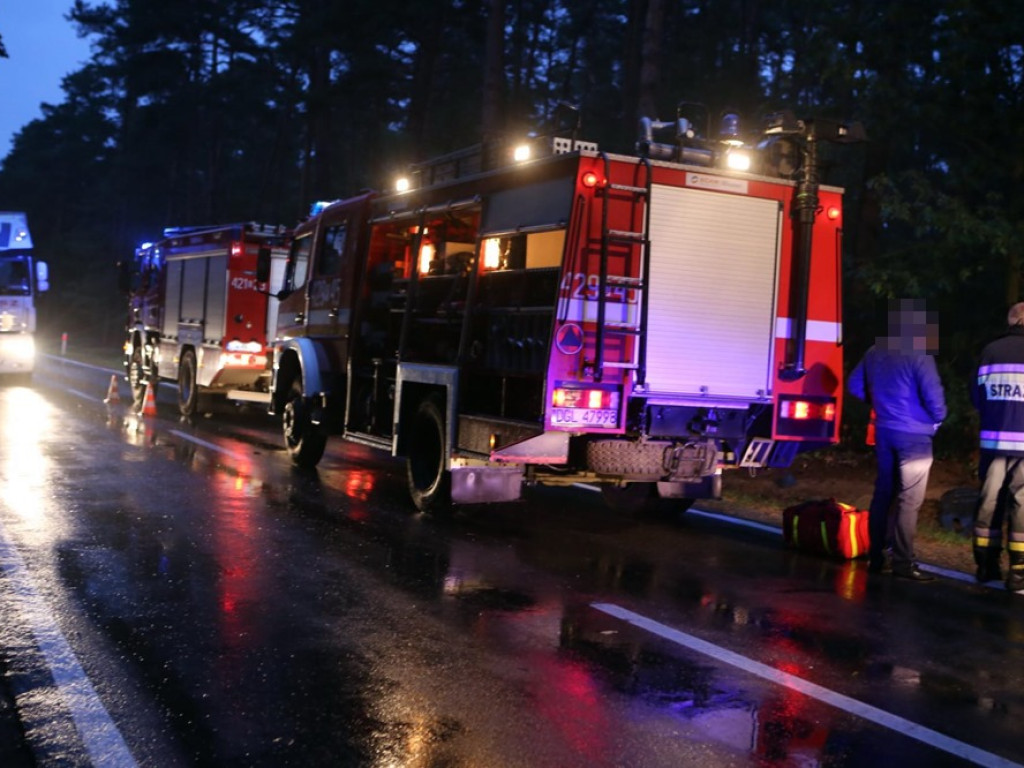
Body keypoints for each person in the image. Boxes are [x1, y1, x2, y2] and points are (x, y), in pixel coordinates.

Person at [848, 298, 947, 580]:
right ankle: (903, 562)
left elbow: (854, 385)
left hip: (885, 431)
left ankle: (876, 557)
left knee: (883, 493)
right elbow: (934, 396)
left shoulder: (874, 351)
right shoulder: (919, 354)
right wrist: (937, 417)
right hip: (915, 435)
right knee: (909, 499)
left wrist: (878, 402)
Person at [971, 302, 1024, 592]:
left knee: (989, 501)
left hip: (993, 443)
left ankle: (986, 565)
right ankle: (1019, 572)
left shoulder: (990, 351)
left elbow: (976, 396)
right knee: (1022, 503)